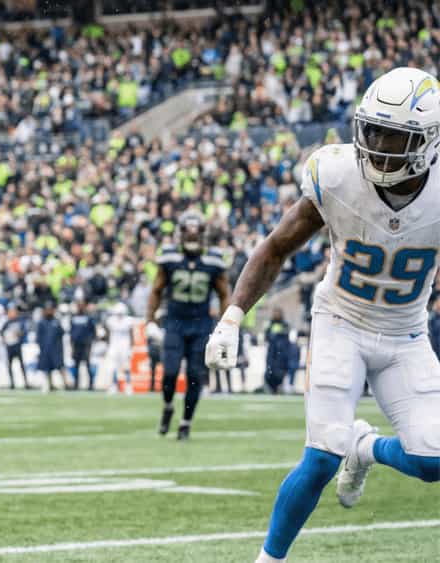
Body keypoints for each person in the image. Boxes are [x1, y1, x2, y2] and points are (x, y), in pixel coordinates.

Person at [205, 68, 440, 563]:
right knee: (321, 457)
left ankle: (366, 447)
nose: (378, 147)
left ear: (428, 141)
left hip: (406, 334)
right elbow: (276, 248)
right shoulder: (337, 174)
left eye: (394, 137)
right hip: (341, 323)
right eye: (373, 131)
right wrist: (232, 316)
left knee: (432, 460)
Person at [146, 210, 230, 441]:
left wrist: (226, 324)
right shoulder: (170, 258)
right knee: (170, 372)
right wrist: (150, 320)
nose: (192, 235)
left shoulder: (213, 260)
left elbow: (224, 294)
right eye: (188, 230)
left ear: (203, 233)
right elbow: (156, 290)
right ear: (180, 233)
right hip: (174, 322)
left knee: (195, 375)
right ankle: (168, 406)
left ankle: (185, 422)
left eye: (196, 230)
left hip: (201, 324)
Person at [104, 302, 135, 395]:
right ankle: (114, 385)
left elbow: (131, 334)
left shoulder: (128, 320)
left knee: (126, 366)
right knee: (113, 367)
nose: (119, 315)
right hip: (114, 345)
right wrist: (108, 345)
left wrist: (131, 347)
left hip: (125, 346)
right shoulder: (111, 320)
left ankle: (128, 385)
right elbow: (108, 333)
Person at [263, 307, 293, 394]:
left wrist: (277, 334)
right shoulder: (270, 324)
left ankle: (280, 387)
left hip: (282, 353)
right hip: (271, 352)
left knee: (280, 371)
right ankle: (271, 388)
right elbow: (267, 336)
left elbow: (286, 336)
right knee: (270, 370)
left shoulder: (285, 324)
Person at [68, 299, 97, 390]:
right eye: (79, 305)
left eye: (82, 305)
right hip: (76, 345)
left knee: (87, 365)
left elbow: (93, 331)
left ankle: (91, 384)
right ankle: (76, 384)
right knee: (76, 365)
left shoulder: (88, 317)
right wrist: (71, 344)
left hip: (86, 345)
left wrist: (90, 342)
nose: (80, 307)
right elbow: (71, 332)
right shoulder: (73, 317)